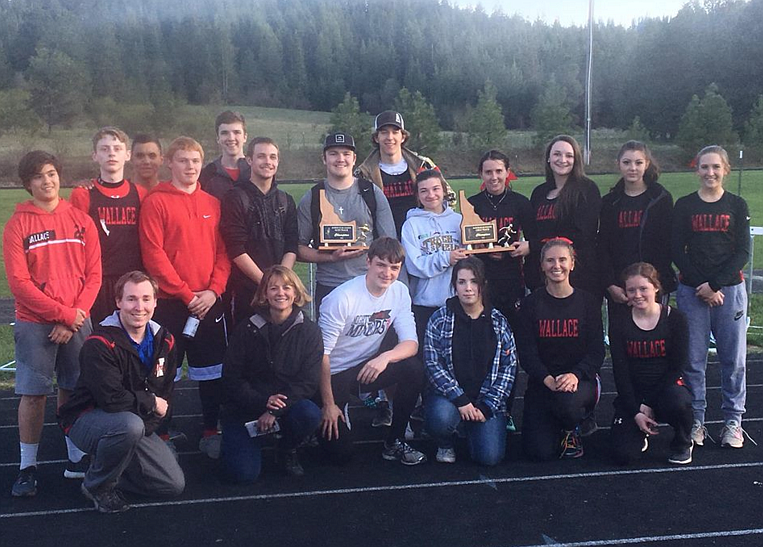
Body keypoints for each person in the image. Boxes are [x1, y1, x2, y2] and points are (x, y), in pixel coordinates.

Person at [3, 151, 102, 496]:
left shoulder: (80, 220)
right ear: (28, 183)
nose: (47, 181)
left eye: (51, 174)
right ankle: (27, 467)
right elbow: (20, 284)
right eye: (38, 177)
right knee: (33, 396)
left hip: (77, 319)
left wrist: (74, 317)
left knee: (73, 390)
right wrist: (63, 316)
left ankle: (75, 458)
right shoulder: (18, 224)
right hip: (36, 323)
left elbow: (94, 276)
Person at [58, 271, 184, 513]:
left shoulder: (164, 340)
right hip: (87, 419)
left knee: (172, 485)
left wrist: (150, 421)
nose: (140, 307)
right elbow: (111, 399)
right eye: (131, 299)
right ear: (118, 302)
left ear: (156, 302)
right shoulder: (99, 343)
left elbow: (165, 392)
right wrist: (150, 405)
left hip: (135, 420)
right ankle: (97, 485)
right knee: (129, 427)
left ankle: (110, 464)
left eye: (146, 299)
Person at [139, 136, 231, 459]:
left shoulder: (212, 204)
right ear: (170, 163)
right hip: (170, 303)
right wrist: (185, 293)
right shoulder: (156, 201)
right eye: (183, 160)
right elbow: (154, 255)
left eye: (195, 161)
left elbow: (224, 252)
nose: (190, 167)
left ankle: (210, 430)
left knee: (212, 371)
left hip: (208, 303)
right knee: (164, 374)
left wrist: (213, 290)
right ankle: (163, 433)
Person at [317, 237, 426, 465]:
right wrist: (329, 404)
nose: (387, 273)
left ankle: (394, 441)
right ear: (368, 262)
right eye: (381, 265)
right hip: (332, 373)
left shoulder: (399, 292)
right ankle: (325, 409)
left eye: (394, 267)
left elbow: (411, 344)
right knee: (339, 455)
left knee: (413, 368)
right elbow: (321, 356)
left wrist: (385, 357)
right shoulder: (342, 298)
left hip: (365, 368)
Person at [672, 145, 751, 449]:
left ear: (725, 170)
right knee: (693, 360)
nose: (710, 173)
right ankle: (697, 421)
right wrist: (701, 285)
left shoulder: (736, 204)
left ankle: (733, 421)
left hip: (729, 291)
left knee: (734, 360)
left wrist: (715, 285)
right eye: (704, 167)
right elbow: (677, 250)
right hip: (692, 292)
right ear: (697, 170)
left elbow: (743, 251)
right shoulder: (685, 205)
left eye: (716, 167)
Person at [220, 266, 322, 482]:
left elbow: (308, 382)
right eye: (273, 288)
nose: (280, 293)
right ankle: (250, 440)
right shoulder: (246, 329)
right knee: (243, 475)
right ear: (264, 294)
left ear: (295, 292)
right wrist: (262, 403)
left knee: (310, 413)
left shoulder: (310, 331)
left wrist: (274, 411)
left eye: (286, 287)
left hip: (287, 408)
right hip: (246, 408)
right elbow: (231, 379)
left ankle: (287, 448)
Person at [516, 238, 604, 461]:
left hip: (579, 381)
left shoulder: (588, 302)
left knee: (567, 404)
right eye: (550, 260)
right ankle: (553, 422)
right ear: (542, 265)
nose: (557, 266)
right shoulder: (531, 304)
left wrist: (576, 374)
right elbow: (526, 352)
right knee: (538, 452)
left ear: (572, 263)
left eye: (563, 260)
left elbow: (596, 351)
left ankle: (572, 428)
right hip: (544, 382)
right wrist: (546, 378)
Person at [423, 257, 517, 465]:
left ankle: (472, 427)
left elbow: (508, 370)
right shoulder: (439, 319)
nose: (468, 288)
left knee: (489, 458)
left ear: (483, 284)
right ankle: (445, 442)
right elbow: (433, 365)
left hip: (486, 400)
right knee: (441, 419)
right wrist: (461, 401)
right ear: (454, 285)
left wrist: (487, 406)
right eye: (461, 282)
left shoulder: (499, 322)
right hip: (450, 400)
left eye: (474, 281)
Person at [468, 149, 536, 432]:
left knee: (509, 352)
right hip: (480, 287)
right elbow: (465, 242)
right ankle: (475, 405)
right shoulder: (471, 204)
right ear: (480, 175)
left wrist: (526, 247)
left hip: (512, 285)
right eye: (488, 172)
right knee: (481, 350)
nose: (494, 177)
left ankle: (506, 409)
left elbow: (535, 239)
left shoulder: (521, 203)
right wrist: (482, 251)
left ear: (508, 172)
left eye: (499, 171)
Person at [297, 132, 396, 310]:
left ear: (354, 158)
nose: (340, 159)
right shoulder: (312, 197)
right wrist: (329, 257)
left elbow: (390, 244)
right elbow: (299, 248)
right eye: (333, 153)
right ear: (324, 159)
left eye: (346, 154)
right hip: (329, 285)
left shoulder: (371, 193)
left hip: (368, 283)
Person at [610, 263, 693, 465]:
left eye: (643, 288)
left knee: (679, 401)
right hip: (634, 393)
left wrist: (648, 402)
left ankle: (682, 442)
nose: (637, 295)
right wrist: (636, 411)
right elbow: (620, 372)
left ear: (656, 287)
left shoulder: (676, 319)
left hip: (665, 389)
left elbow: (677, 367)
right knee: (624, 456)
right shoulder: (619, 322)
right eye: (631, 290)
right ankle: (639, 430)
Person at [70, 127, 147, 324]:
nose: (111, 153)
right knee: (100, 338)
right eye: (104, 149)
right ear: (95, 155)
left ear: (127, 155)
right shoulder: (83, 194)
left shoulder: (139, 193)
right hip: (98, 280)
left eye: (117, 148)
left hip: (132, 279)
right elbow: (75, 244)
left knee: (132, 336)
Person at [220, 137, 298, 324]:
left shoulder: (285, 200)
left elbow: (292, 245)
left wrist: (280, 284)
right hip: (246, 292)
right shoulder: (235, 198)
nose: (268, 162)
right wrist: (266, 283)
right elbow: (235, 248)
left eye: (273, 157)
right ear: (249, 160)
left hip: (280, 294)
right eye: (261, 156)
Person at [598, 141, 676, 327]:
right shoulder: (609, 203)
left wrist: (656, 284)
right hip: (620, 288)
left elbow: (667, 245)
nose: (632, 168)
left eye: (638, 162)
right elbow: (603, 245)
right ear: (619, 164)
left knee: (654, 338)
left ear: (647, 164)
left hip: (652, 286)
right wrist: (610, 285)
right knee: (623, 340)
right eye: (627, 162)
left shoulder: (661, 199)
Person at [522, 135, 601, 297]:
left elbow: (582, 235)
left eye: (569, 155)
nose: (562, 159)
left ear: (576, 160)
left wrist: (533, 246)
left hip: (578, 277)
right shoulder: (539, 193)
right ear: (548, 158)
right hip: (543, 278)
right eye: (557, 154)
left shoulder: (587, 189)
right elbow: (532, 232)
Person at [356, 110, 450, 237]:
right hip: (384, 243)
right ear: (376, 138)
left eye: (395, 132)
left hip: (423, 238)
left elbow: (449, 197)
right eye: (384, 132)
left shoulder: (424, 165)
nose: (390, 137)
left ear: (403, 137)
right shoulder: (363, 173)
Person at [401, 168, 466, 349]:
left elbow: (469, 260)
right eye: (424, 191)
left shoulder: (459, 220)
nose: (431, 195)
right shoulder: (411, 225)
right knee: (428, 357)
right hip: (425, 304)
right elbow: (415, 265)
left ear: (444, 191)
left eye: (436, 189)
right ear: (417, 196)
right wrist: (446, 258)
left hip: (457, 301)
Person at [199, 110, 250, 201]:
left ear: (245, 137)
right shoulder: (207, 174)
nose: (231, 138)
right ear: (218, 138)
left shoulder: (256, 171)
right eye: (225, 133)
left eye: (236, 132)